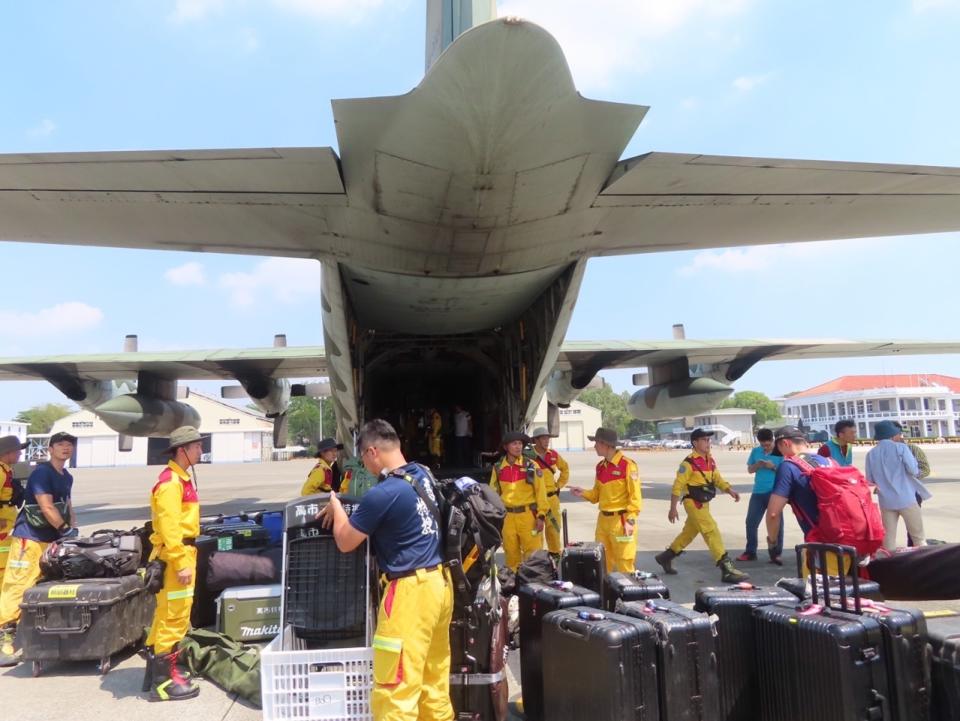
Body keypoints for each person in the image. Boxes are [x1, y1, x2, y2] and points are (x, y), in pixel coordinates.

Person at [318, 419, 454, 721]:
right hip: (439, 584)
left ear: (372, 452)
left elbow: (345, 541)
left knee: (395, 690)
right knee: (433, 684)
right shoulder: (423, 475)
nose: (365, 466)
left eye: (364, 458)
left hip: (409, 594)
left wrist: (336, 506)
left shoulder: (383, 493)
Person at [0, 431, 77, 667]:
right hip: (30, 540)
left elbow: (66, 504)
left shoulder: (66, 476)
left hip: (49, 539)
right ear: (50, 449)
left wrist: (73, 528)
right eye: (60, 444)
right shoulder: (42, 473)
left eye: (69, 445)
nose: (66, 448)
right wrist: (64, 528)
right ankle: (4, 641)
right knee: (17, 586)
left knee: (42, 587)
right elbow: (45, 506)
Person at [143, 426, 203, 701]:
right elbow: (169, 528)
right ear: (183, 451)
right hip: (175, 557)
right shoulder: (170, 483)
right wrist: (180, 563)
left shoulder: (180, 479)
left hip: (181, 553)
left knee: (167, 617)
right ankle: (164, 683)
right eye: (197, 447)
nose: (200, 451)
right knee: (173, 618)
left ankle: (158, 673)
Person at [654, 428, 748, 583]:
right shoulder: (688, 463)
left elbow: (717, 478)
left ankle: (666, 557)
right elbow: (677, 486)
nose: (708, 443)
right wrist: (673, 508)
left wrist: (729, 490)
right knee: (711, 530)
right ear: (695, 443)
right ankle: (727, 569)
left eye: (708, 440)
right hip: (693, 503)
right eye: (704, 440)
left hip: (704, 503)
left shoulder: (709, 460)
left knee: (689, 533)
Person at [569, 427, 642, 573]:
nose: (594, 446)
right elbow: (596, 495)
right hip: (603, 521)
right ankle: (607, 593)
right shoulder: (600, 467)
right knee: (602, 562)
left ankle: (629, 594)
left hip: (621, 522)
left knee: (624, 563)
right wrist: (582, 492)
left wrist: (630, 521)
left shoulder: (627, 465)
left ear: (605, 445)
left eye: (596, 443)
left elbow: (635, 497)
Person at [865, 420, 929, 551]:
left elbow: (870, 479)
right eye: (899, 434)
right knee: (918, 537)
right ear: (893, 435)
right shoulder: (901, 448)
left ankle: (889, 566)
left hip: (886, 501)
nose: (900, 436)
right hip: (906, 499)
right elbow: (913, 470)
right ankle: (923, 565)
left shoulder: (871, 454)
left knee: (888, 539)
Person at [490, 431, 547, 571]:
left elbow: (541, 493)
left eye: (520, 443)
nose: (518, 447)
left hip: (529, 517)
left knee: (533, 556)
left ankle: (533, 588)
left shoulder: (531, 465)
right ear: (506, 447)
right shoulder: (498, 468)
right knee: (511, 556)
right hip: (508, 519)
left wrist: (541, 516)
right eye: (514, 443)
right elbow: (493, 495)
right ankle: (514, 587)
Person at [737, 428, 784, 562]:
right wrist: (757, 465)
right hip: (758, 491)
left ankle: (776, 553)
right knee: (751, 522)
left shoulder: (780, 453)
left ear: (773, 440)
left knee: (776, 524)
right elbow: (750, 470)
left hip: (774, 492)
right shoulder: (756, 451)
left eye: (768, 445)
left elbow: (786, 473)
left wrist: (773, 467)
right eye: (763, 445)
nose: (765, 447)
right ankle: (751, 551)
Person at [529, 426, 570, 562]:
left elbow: (565, 469)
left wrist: (559, 485)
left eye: (548, 438)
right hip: (535, 501)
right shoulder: (528, 456)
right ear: (536, 440)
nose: (547, 441)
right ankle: (538, 560)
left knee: (554, 530)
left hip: (551, 499)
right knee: (535, 532)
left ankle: (555, 558)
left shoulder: (553, 455)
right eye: (544, 438)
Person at [0, 436, 27, 588]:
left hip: (6, 527)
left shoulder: (6, 470)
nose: (20, 455)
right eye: (18, 451)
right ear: (8, 452)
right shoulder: (0, 472)